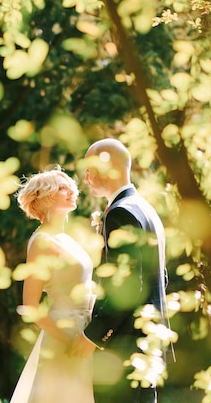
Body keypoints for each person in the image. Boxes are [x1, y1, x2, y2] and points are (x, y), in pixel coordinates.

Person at [69, 138, 169, 403]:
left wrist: (94, 336)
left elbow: (128, 284)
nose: (86, 179)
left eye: (89, 170)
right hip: (148, 341)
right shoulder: (145, 209)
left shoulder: (121, 213)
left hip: (125, 347)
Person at [10, 167, 96, 403]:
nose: (72, 191)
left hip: (85, 331)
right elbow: (30, 306)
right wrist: (68, 339)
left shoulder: (66, 238)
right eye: (62, 188)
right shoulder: (42, 241)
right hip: (64, 336)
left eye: (71, 187)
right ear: (45, 197)